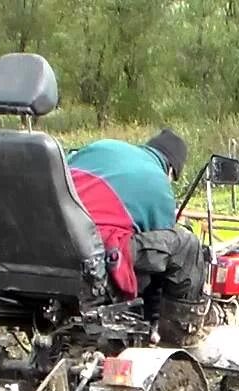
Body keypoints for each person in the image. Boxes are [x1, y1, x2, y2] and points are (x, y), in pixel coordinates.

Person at [67, 129, 208, 343]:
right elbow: (158, 256)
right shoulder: (158, 182)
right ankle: (177, 334)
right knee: (185, 243)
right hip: (98, 248)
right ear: (170, 170)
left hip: (54, 237)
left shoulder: (104, 145)